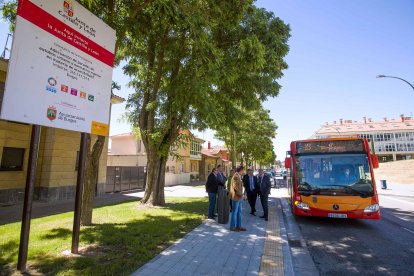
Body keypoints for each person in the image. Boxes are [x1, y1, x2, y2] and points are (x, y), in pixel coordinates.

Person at [229, 166, 246, 232]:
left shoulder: (238, 176)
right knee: (234, 212)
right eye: (243, 170)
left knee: (239, 212)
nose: (243, 172)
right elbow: (236, 188)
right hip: (236, 197)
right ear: (240, 170)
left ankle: (239, 226)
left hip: (239, 197)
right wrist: (242, 195)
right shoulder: (235, 176)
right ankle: (232, 227)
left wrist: (242, 195)